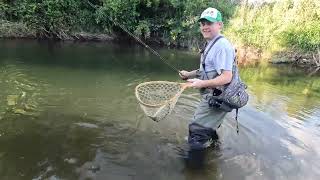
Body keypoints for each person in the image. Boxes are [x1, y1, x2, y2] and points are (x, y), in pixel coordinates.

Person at [180, 7, 236, 150]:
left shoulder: (222, 46)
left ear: (220, 25)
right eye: (203, 23)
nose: (205, 27)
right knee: (207, 127)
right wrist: (189, 74)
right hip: (213, 97)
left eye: (209, 23)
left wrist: (201, 83)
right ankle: (214, 150)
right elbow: (206, 70)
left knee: (196, 131)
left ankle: (194, 169)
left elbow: (226, 77)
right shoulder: (212, 44)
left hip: (217, 98)